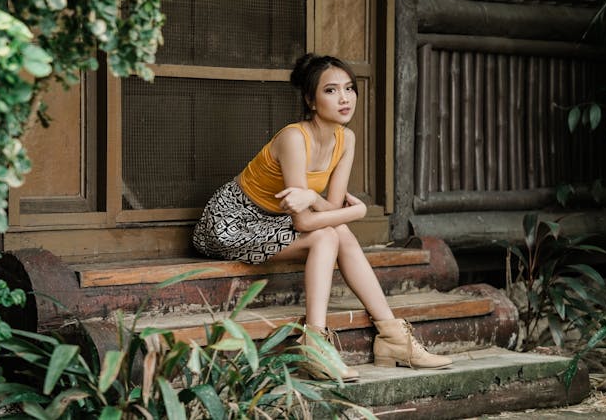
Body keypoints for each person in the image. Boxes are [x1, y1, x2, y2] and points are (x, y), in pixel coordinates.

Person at [192, 53, 452, 381]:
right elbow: (306, 223)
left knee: (337, 231)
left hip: (274, 221)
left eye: (349, 89)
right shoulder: (293, 138)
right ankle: (314, 343)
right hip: (231, 221)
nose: (344, 98)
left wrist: (319, 200)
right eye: (330, 91)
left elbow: (327, 210)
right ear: (310, 100)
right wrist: (354, 211)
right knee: (330, 233)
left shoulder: (346, 140)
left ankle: (392, 336)